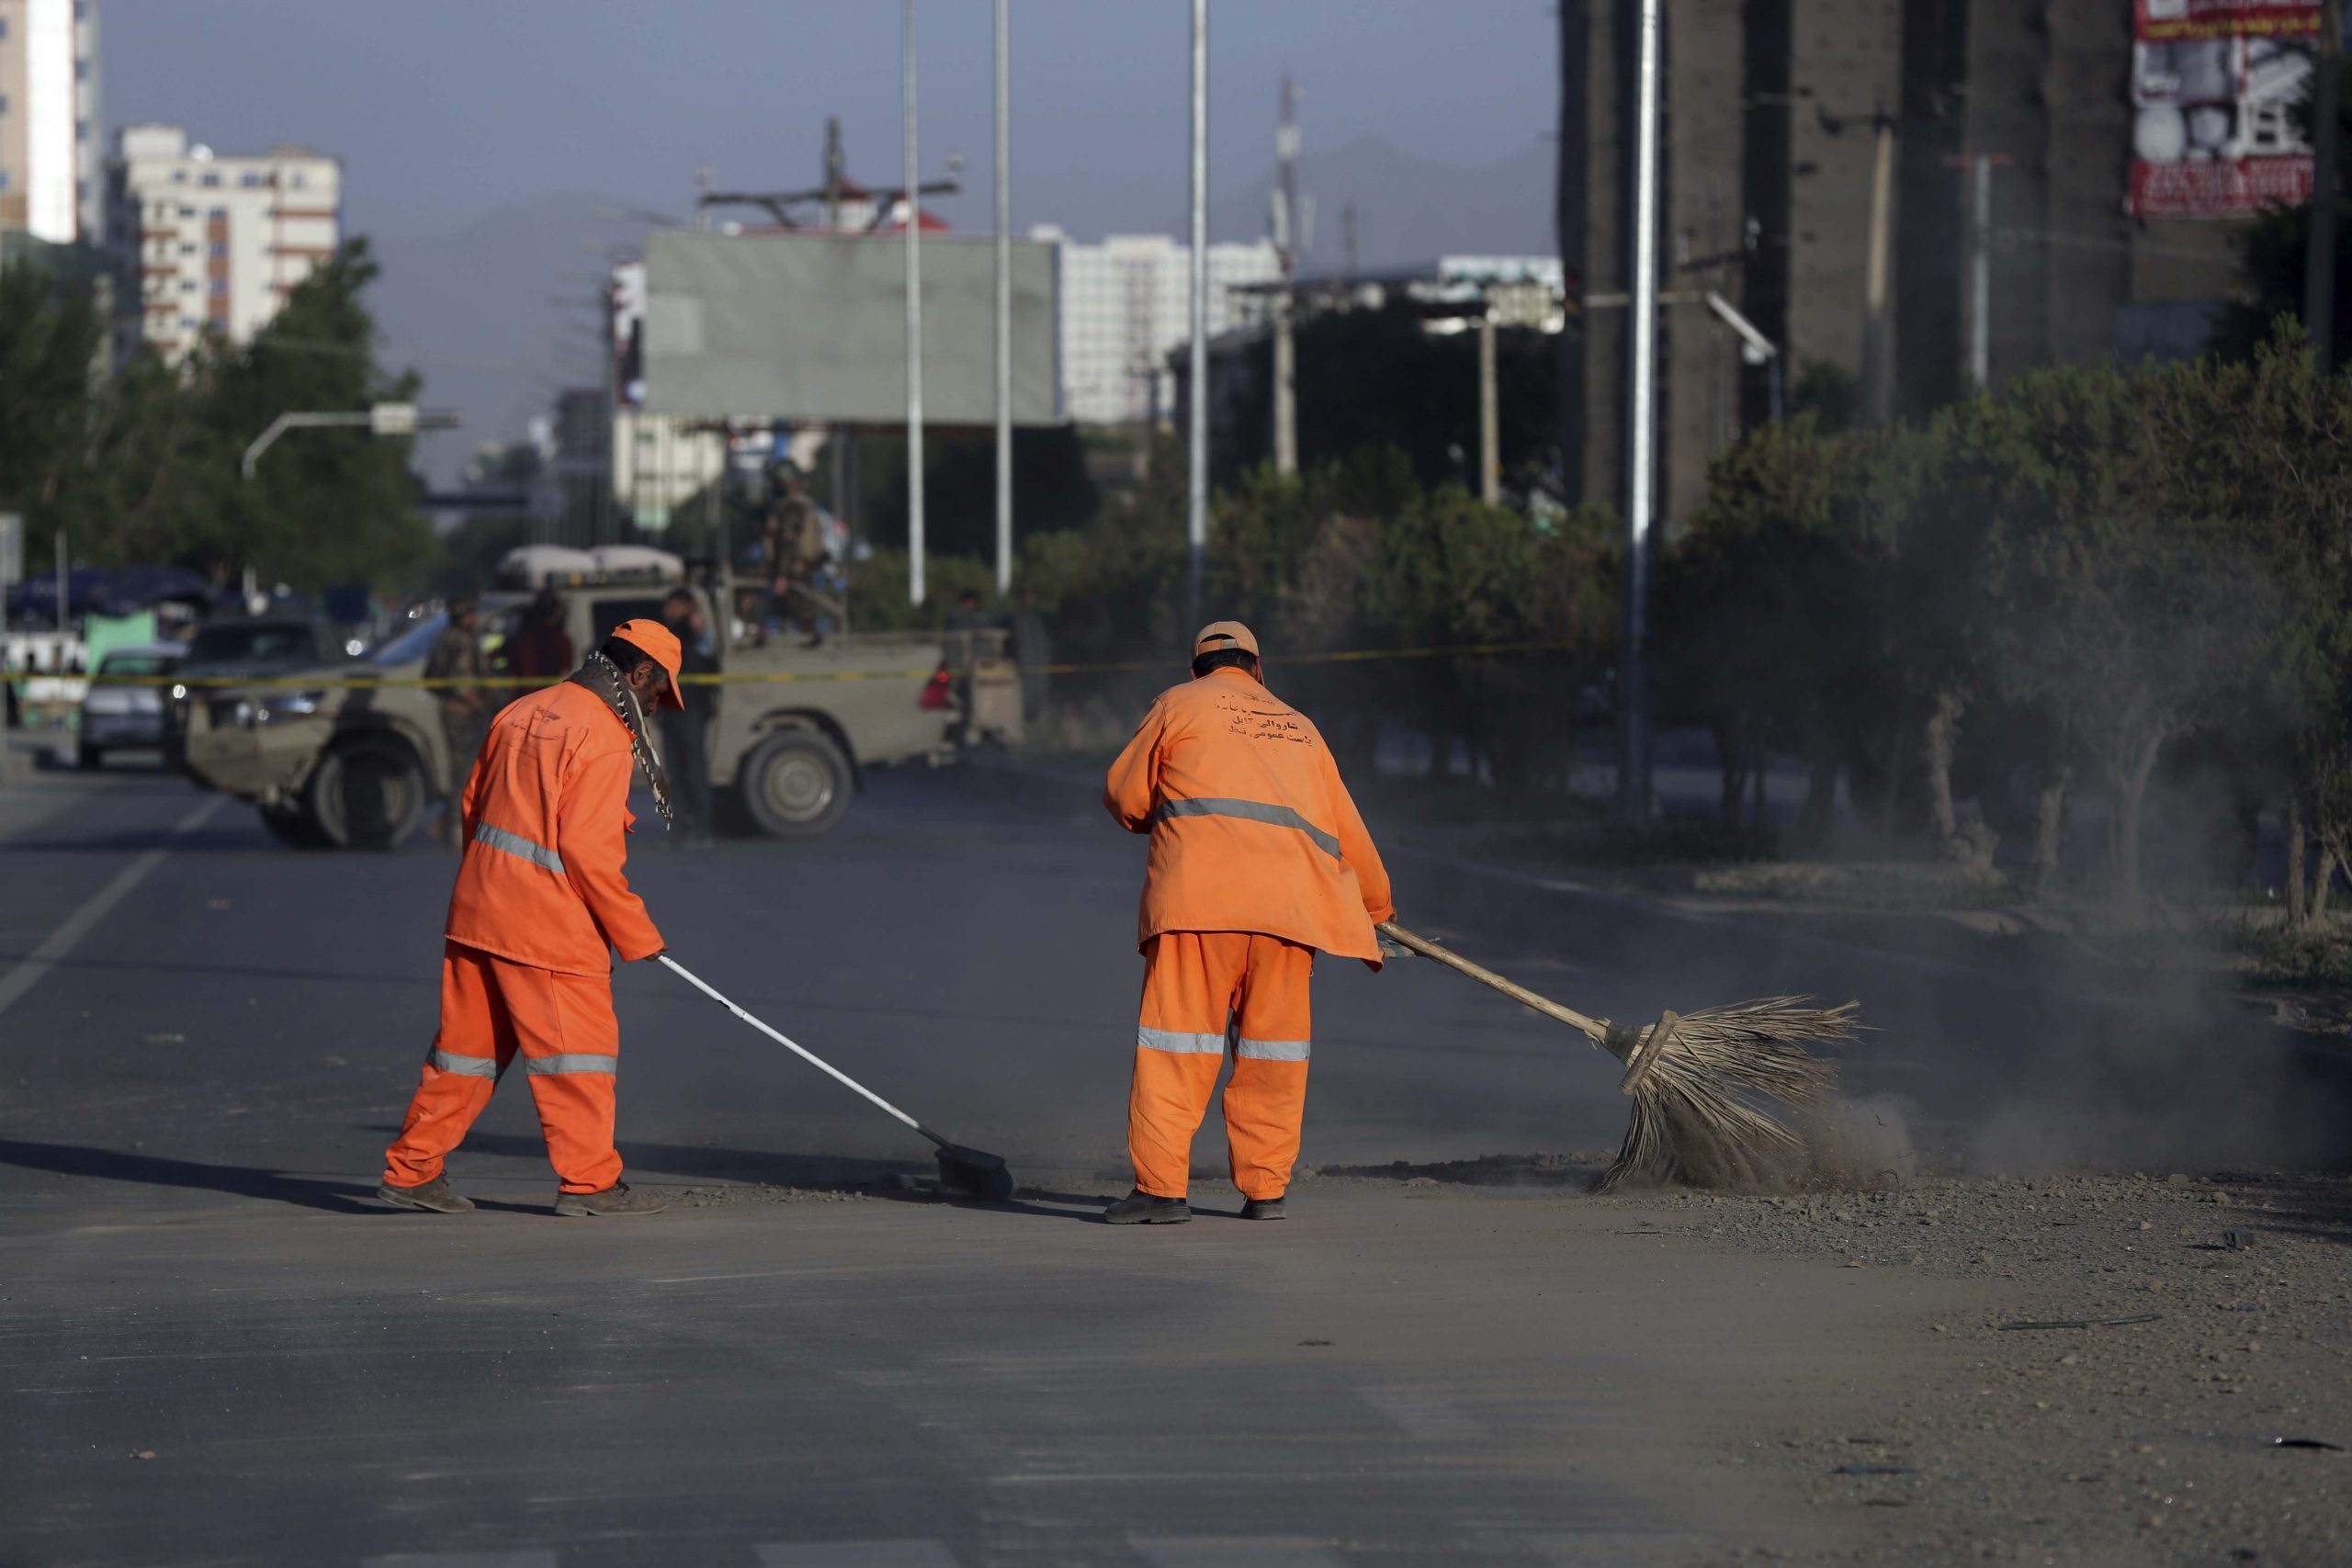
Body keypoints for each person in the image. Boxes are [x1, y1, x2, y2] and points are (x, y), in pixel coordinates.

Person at [379, 619, 685, 1218]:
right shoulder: (603, 733)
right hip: (547, 928)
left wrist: (486, 885)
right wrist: (638, 934)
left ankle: (412, 1170)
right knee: (579, 1057)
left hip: (478, 912)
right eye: (658, 692)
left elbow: (472, 805)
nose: (657, 707)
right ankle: (590, 1184)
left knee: (464, 1054)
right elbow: (587, 850)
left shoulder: (522, 710)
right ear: (641, 672)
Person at [1100, 621, 1395, 1225]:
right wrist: (1376, 909)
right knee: (1273, 1054)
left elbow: (1126, 797)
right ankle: (1266, 1191)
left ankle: (1162, 1191)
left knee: (1177, 1047)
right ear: (1259, 670)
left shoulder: (1177, 704)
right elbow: (1349, 830)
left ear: (1196, 670)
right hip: (1290, 916)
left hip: (1198, 908)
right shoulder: (1302, 728)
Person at [425, 598, 492, 849]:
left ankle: (453, 824)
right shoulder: (458, 641)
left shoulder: (446, 638)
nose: (475, 618)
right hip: (462, 711)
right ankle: (455, 825)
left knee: (463, 767)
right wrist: (474, 700)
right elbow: (456, 678)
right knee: (464, 769)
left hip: (459, 709)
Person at [659, 587, 718, 847]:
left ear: (686, 606)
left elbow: (708, 653)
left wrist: (699, 626)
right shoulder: (668, 632)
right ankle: (681, 829)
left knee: (694, 771)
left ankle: (702, 829)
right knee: (676, 773)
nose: (667, 610)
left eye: (672, 605)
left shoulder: (696, 631)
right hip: (671, 710)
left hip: (691, 708)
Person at [762, 463, 840, 643]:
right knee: (803, 620)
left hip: (795, 573)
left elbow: (788, 544)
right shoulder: (804, 505)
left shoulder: (792, 508)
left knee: (802, 621)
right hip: (802, 572)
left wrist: (782, 575)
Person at [504, 591, 575, 682]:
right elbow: (566, 671)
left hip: (527, 689)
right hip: (552, 689)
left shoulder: (523, 639)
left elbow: (513, 672)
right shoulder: (561, 640)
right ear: (556, 614)